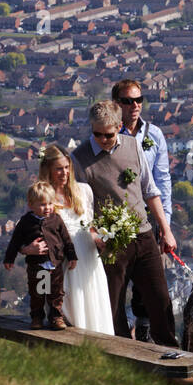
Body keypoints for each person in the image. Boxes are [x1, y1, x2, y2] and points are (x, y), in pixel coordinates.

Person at [70, 99, 179, 346]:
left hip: (143, 235)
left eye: (107, 135)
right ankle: (123, 355)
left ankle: (171, 353)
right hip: (110, 242)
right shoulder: (79, 158)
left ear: (119, 126)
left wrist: (166, 229)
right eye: (96, 133)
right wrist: (95, 236)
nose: (101, 139)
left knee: (159, 298)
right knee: (113, 303)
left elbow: (150, 190)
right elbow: (80, 207)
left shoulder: (133, 146)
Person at [114, 78, 173, 341]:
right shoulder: (108, 134)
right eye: (128, 101)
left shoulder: (154, 135)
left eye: (139, 100)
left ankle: (146, 330)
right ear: (117, 104)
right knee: (118, 279)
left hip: (150, 218)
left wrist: (166, 225)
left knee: (151, 281)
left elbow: (162, 181)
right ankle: (119, 334)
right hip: (118, 219)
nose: (135, 106)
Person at [37, 143, 114, 335]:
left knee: (93, 306)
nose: (63, 173)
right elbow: (33, 229)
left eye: (66, 167)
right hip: (64, 262)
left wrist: (102, 240)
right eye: (58, 169)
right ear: (48, 170)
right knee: (70, 309)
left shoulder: (84, 191)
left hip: (88, 259)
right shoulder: (43, 198)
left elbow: (90, 226)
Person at [4, 181, 76, 330]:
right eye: (42, 205)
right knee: (38, 293)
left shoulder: (56, 219)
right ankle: (37, 317)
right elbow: (15, 241)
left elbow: (66, 239)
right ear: (31, 205)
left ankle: (56, 317)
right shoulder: (26, 222)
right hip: (37, 266)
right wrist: (9, 259)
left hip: (54, 264)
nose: (47, 208)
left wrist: (72, 256)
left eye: (50, 204)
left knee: (56, 293)